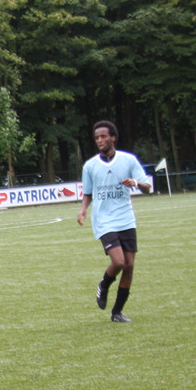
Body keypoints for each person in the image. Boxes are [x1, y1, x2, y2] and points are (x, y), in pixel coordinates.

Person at [76, 120, 152, 323]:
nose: (100, 140)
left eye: (103, 136)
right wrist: (83, 209)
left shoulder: (128, 160)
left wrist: (136, 182)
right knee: (119, 262)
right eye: (97, 138)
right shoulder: (90, 166)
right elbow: (88, 192)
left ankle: (117, 313)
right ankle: (104, 284)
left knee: (129, 266)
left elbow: (148, 187)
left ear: (113, 138)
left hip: (126, 219)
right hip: (104, 221)